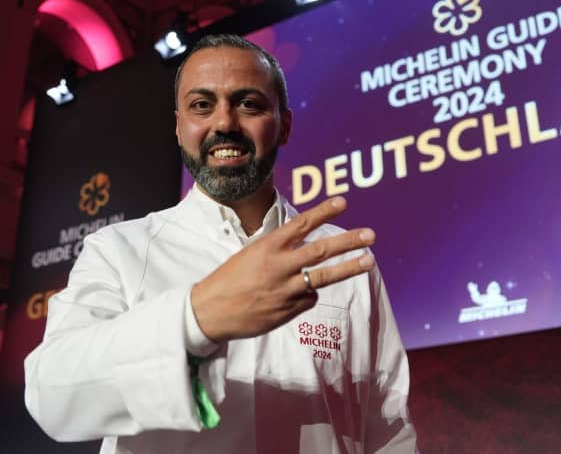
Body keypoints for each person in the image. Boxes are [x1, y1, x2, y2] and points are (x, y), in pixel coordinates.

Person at [24, 34, 417, 453]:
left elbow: (388, 428)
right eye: (201, 105)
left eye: (248, 104)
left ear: (284, 125)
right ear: (179, 127)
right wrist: (197, 317)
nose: (225, 124)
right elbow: (52, 394)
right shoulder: (120, 249)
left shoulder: (346, 259)